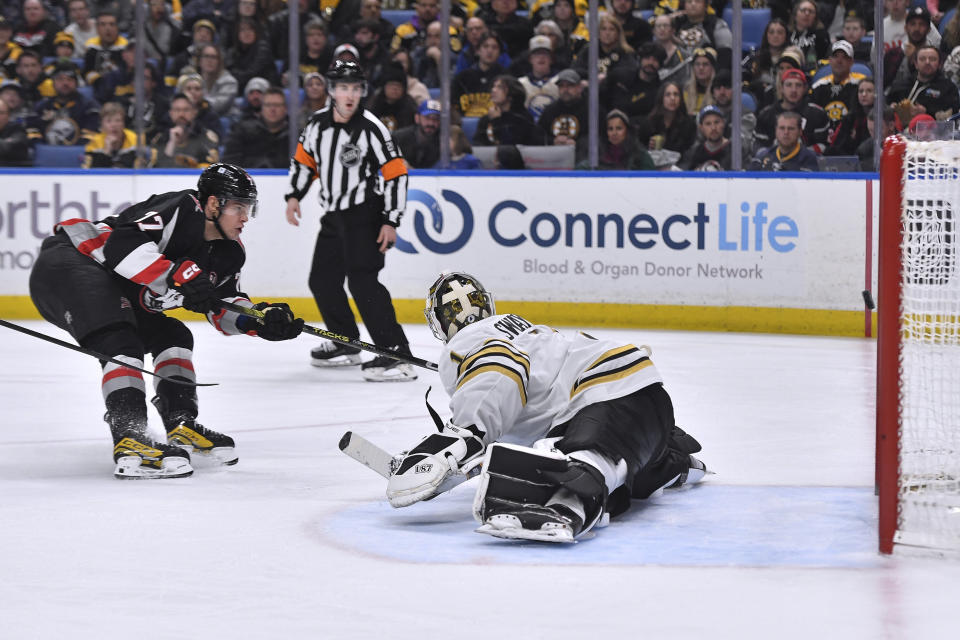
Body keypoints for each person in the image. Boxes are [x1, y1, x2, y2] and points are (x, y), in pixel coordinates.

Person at [385, 272, 709, 542]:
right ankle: (669, 459)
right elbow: (524, 418)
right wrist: (456, 465)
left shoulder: (465, 345)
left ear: (439, 323)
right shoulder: (517, 328)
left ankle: (569, 504)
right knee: (596, 457)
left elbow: (502, 369)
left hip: (607, 392)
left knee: (589, 458)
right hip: (637, 397)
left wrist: (461, 436)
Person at [28, 164, 304, 479]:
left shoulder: (229, 253)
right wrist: (173, 275)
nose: (245, 217)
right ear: (213, 204)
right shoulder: (184, 209)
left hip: (113, 285)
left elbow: (221, 303)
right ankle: (130, 438)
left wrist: (258, 320)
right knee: (120, 341)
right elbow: (122, 242)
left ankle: (181, 423)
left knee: (174, 337)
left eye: (249, 208)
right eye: (238, 207)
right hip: (71, 261)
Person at [285, 60, 416, 383]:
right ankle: (346, 342)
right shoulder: (316, 125)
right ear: (331, 91)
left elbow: (396, 174)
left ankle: (396, 353)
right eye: (343, 87)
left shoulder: (372, 128)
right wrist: (293, 195)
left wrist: (390, 220)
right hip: (334, 217)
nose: (349, 94)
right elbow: (304, 161)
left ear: (362, 92)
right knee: (322, 280)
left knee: (363, 282)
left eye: (355, 88)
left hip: (366, 215)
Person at [754, 68, 830, 155]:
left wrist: (799, 156)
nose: (793, 90)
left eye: (798, 85)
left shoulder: (818, 114)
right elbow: (758, 146)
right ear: (781, 88)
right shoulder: (766, 115)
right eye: (789, 85)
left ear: (805, 88)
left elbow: (824, 145)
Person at [29, 60, 100, 146]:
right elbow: (31, 132)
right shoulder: (41, 106)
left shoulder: (89, 106)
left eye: (70, 80)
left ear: (76, 83)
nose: (65, 83)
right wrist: (41, 121)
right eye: (60, 79)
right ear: (53, 83)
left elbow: (90, 137)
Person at [810, 40, 866, 142]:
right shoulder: (818, 86)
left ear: (851, 62)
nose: (839, 61)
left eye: (844, 57)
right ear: (830, 60)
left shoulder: (861, 83)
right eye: (835, 56)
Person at [888, 44, 960, 123]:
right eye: (922, 59)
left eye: (932, 59)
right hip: (898, 130)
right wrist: (891, 109)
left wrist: (927, 112)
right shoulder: (902, 84)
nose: (927, 62)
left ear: (939, 64)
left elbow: (952, 116)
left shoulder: (948, 88)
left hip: (932, 131)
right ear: (916, 64)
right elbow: (886, 103)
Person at [150, 92, 220, 168]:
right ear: (171, 113)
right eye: (177, 110)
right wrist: (171, 144)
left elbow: (208, 170)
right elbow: (156, 172)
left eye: (186, 110)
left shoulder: (206, 138)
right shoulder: (160, 139)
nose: (181, 114)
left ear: (195, 112)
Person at [223, 87, 289, 167]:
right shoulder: (242, 132)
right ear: (262, 109)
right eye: (268, 105)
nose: (272, 109)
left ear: (285, 109)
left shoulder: (296, 136)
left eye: (277, 105)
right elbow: (230, 162)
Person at [472, 74, 544, 146]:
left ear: (511, 95)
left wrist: (496, 121)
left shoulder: (522, 118)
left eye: (499, 87)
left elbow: (511, 144)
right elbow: (478, 143)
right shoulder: (487, 118)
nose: (493, 90)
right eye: (494, 86)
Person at [577, 108, 654, 170]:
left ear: (627, 131)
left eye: (619, 128)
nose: (614, 133)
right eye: (610, 129)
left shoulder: (640, 154)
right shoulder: (598, 152)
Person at [452, 32, 506, 117]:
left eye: (494, 47)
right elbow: (452, 105)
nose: (490, 51)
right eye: (485, 46)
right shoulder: (462, 77)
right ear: (478, 51)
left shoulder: (505, 78)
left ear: (499, 53)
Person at [82, 101, 149, 168]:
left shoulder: (134, 139)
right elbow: (92, 173)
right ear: (102, 125)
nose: (114, 125)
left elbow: (135, 168)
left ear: (123, 124)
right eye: (109, 121)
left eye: (118, 120)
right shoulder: (94, 143)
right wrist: (106, 151)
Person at [749, 111, 820, 171]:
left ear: (800, 131)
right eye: (782, 128)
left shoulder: (813, 160)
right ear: (776, 130)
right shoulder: (761, 158)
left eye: (791, 128)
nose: (786, 132)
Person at [539, 68, 587, 148]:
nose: (565, 90)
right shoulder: (550, 110)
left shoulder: (591, 110)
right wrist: (553, 141)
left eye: (570, 85)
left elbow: (599, 138)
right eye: (561, 86)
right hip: (554, 156)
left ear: (580, 88)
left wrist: (577, 144)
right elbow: (538, 136)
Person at [646, 80, 696, 154]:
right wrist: (649, 146)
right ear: (661, 98)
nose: (672, 98)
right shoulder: (651, 121)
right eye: (668, 95)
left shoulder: (689, 124)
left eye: (676, 94)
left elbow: (687, 151)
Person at [367, 61, 418, 132]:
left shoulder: (410, 105)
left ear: (404, 89)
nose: (395, 89)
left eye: (398, 86)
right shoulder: (374, 102)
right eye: (391, 84)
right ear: (384, 87)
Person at [680, 104, 732, 170]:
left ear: (723, 123)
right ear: (701, 128)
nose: (713, 128)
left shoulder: (735, 150)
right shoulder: (693, 153)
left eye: (716, 122)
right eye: (708, 124)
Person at [393, 97, 441, 168]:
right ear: (417, 118)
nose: (431, 123)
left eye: (436, 119)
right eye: (427, 117)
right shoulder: (399, 138)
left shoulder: (444, 142)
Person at [788, 0, 830, 70]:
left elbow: (827, 59)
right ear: (795, 14)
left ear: (815, 17)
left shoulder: (822, 35)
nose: (807, 13)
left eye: (811, 11)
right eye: (803, 10)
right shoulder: (786, 33)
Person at [0, 96, 29, 166]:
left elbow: (12, 147)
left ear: (8, 115)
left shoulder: (17, 129)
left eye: (1, 113)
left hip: (12, 173)